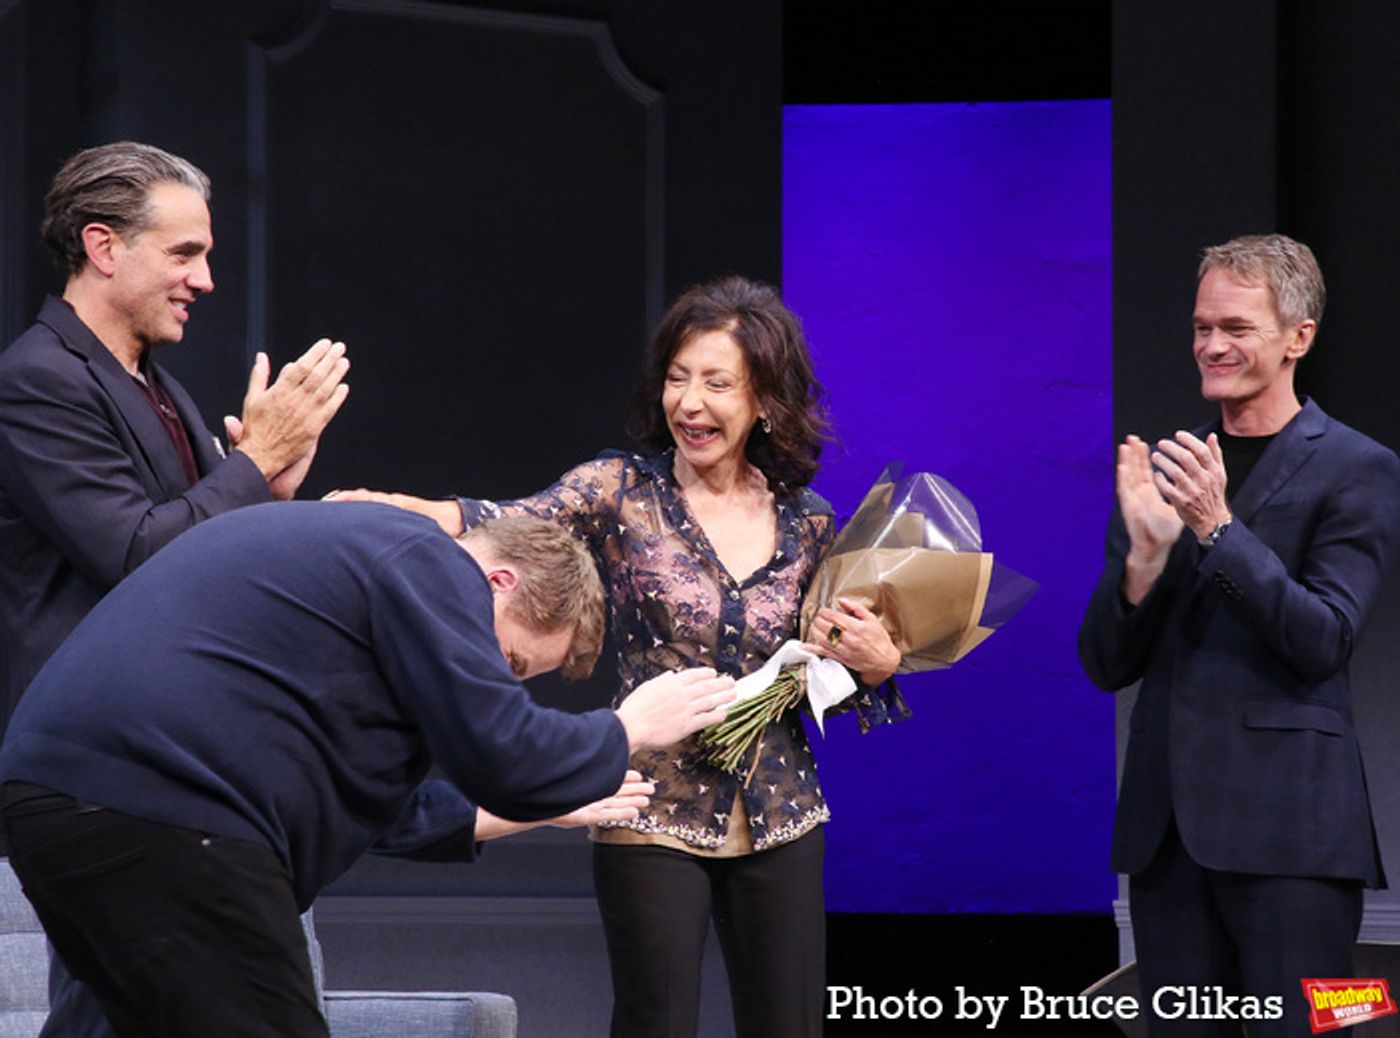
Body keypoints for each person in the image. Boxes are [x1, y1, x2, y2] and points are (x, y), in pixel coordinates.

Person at [335, 276, 906, 1037]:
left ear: (765, 401)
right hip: (650, 811)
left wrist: (878, 665)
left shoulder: (810, 525)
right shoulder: (621, 490)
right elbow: (509, 523)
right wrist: (405, 511)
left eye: (716, 384)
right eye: (677, 378)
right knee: (655, 1022)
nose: (690, 403)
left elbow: (832, 669)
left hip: (783, 814)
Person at [0, 502, 736, 1038]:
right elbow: (505, 753)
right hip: (168, 812)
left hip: (57, 803)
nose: (500, 683)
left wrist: (544, 800)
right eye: (509, 661)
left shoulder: (355, 596)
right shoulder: (430, 562)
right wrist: (626, 728)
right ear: (501, 580)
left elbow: (399, 809)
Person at [0, 140, 351, 1036]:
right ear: (104, 247)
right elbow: (136, 556)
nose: (205, 279)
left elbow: (201, 560)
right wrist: (251, 460)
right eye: (185, 253)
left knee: (121, 1010)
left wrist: (268, 496)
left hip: (169, 760)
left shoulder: (154, 385)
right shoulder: (38, 381)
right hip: (96, 767)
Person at [1078, 234, 1400, 1035]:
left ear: (1299, 336)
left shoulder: (1358, 468)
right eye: (1200, 327)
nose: (1212, 346)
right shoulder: (1166, 471)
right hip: (1167, 839)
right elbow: (1106, 662)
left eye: (1237, 328)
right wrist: (1146, 562)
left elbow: (1324, 637)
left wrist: (1219, 531)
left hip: (1292, 836)